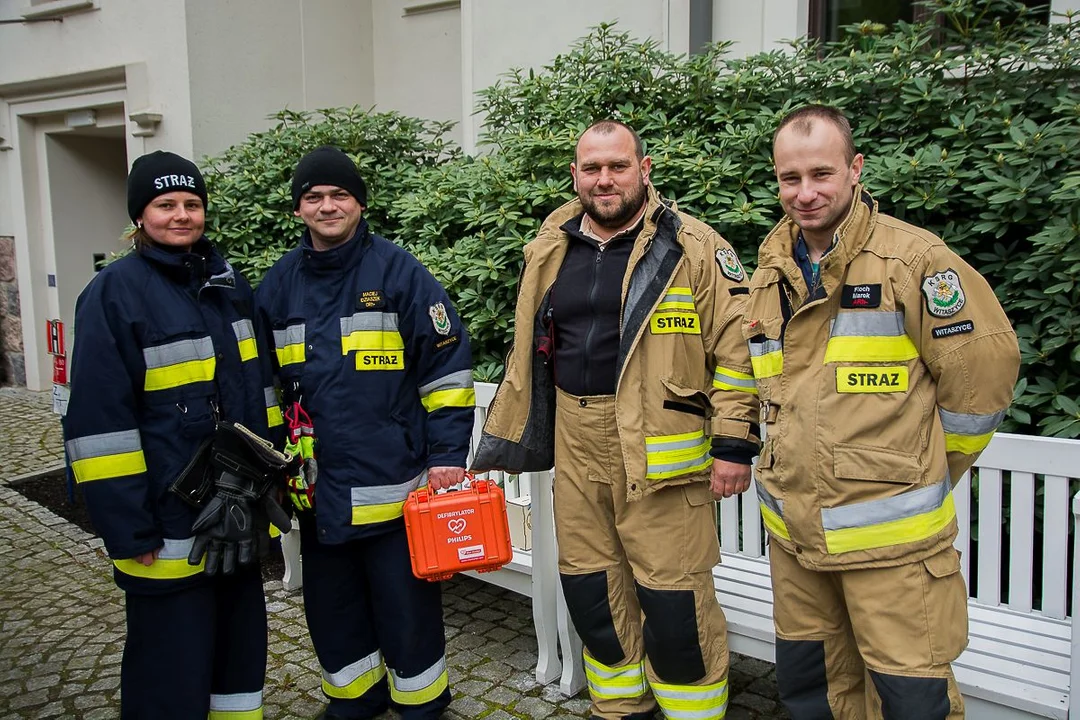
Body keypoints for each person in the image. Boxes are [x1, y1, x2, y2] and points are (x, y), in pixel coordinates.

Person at [472, 120, 760, 720]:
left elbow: (738, 354)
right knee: (591, 589)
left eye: (618, 166)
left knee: (675, 600)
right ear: (576, 175)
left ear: (644, 169)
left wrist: (734, 444)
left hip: (662, 447)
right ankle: (619, 708)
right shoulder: (553, 241)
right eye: (592, 168)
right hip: (575, 440)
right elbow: (530, 343)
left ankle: (693, 713)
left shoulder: (694, 247)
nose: (605, 179)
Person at [746, 104, 1020, 719]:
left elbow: (981, 380)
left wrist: (915, 468)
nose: (806, 193)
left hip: (893, 553)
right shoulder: (770, 272)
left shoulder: (913, 261)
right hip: (796, 541)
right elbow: (773, 393)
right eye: (791, 178)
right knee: (813, 694)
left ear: (855, 168)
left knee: (911, 700)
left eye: (822, 174)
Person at [63, 151, 286, 719]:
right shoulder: (112, 295)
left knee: (239, 659)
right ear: (140, 216)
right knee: (170, 666)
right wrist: (128, 528)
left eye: (192, 203)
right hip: (164, 526)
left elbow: (258, 396)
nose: (181, 215)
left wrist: (269, 485)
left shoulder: (228, 283)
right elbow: (97, 429)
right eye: (165, 205)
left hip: (234, 516)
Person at [256, 145, 475, 720]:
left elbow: (447, 369)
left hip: (395, 489)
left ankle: (423, 706)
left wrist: (449, 453)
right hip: (316, 491)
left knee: (407, 612)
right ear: (299, 209)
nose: (328, 206)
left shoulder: (400, 273)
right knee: (333, 611)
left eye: (339, 195)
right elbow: (262, 386)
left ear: (359, 203)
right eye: (314, 197)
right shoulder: (277, 287)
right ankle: (352, 701)